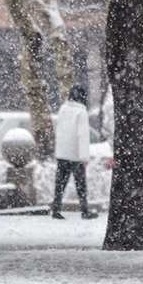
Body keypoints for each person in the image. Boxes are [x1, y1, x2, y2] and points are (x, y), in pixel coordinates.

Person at [51, 83, 99, 220]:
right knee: (81, 185)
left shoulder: (63, 109)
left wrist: (58, 151)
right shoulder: (81, 112)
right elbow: (82, 136)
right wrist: (84, 157)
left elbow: (60, 130)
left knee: (60, 183)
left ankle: (56, 209)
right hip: (76, 155)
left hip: (62, 153)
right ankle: (85, 211)